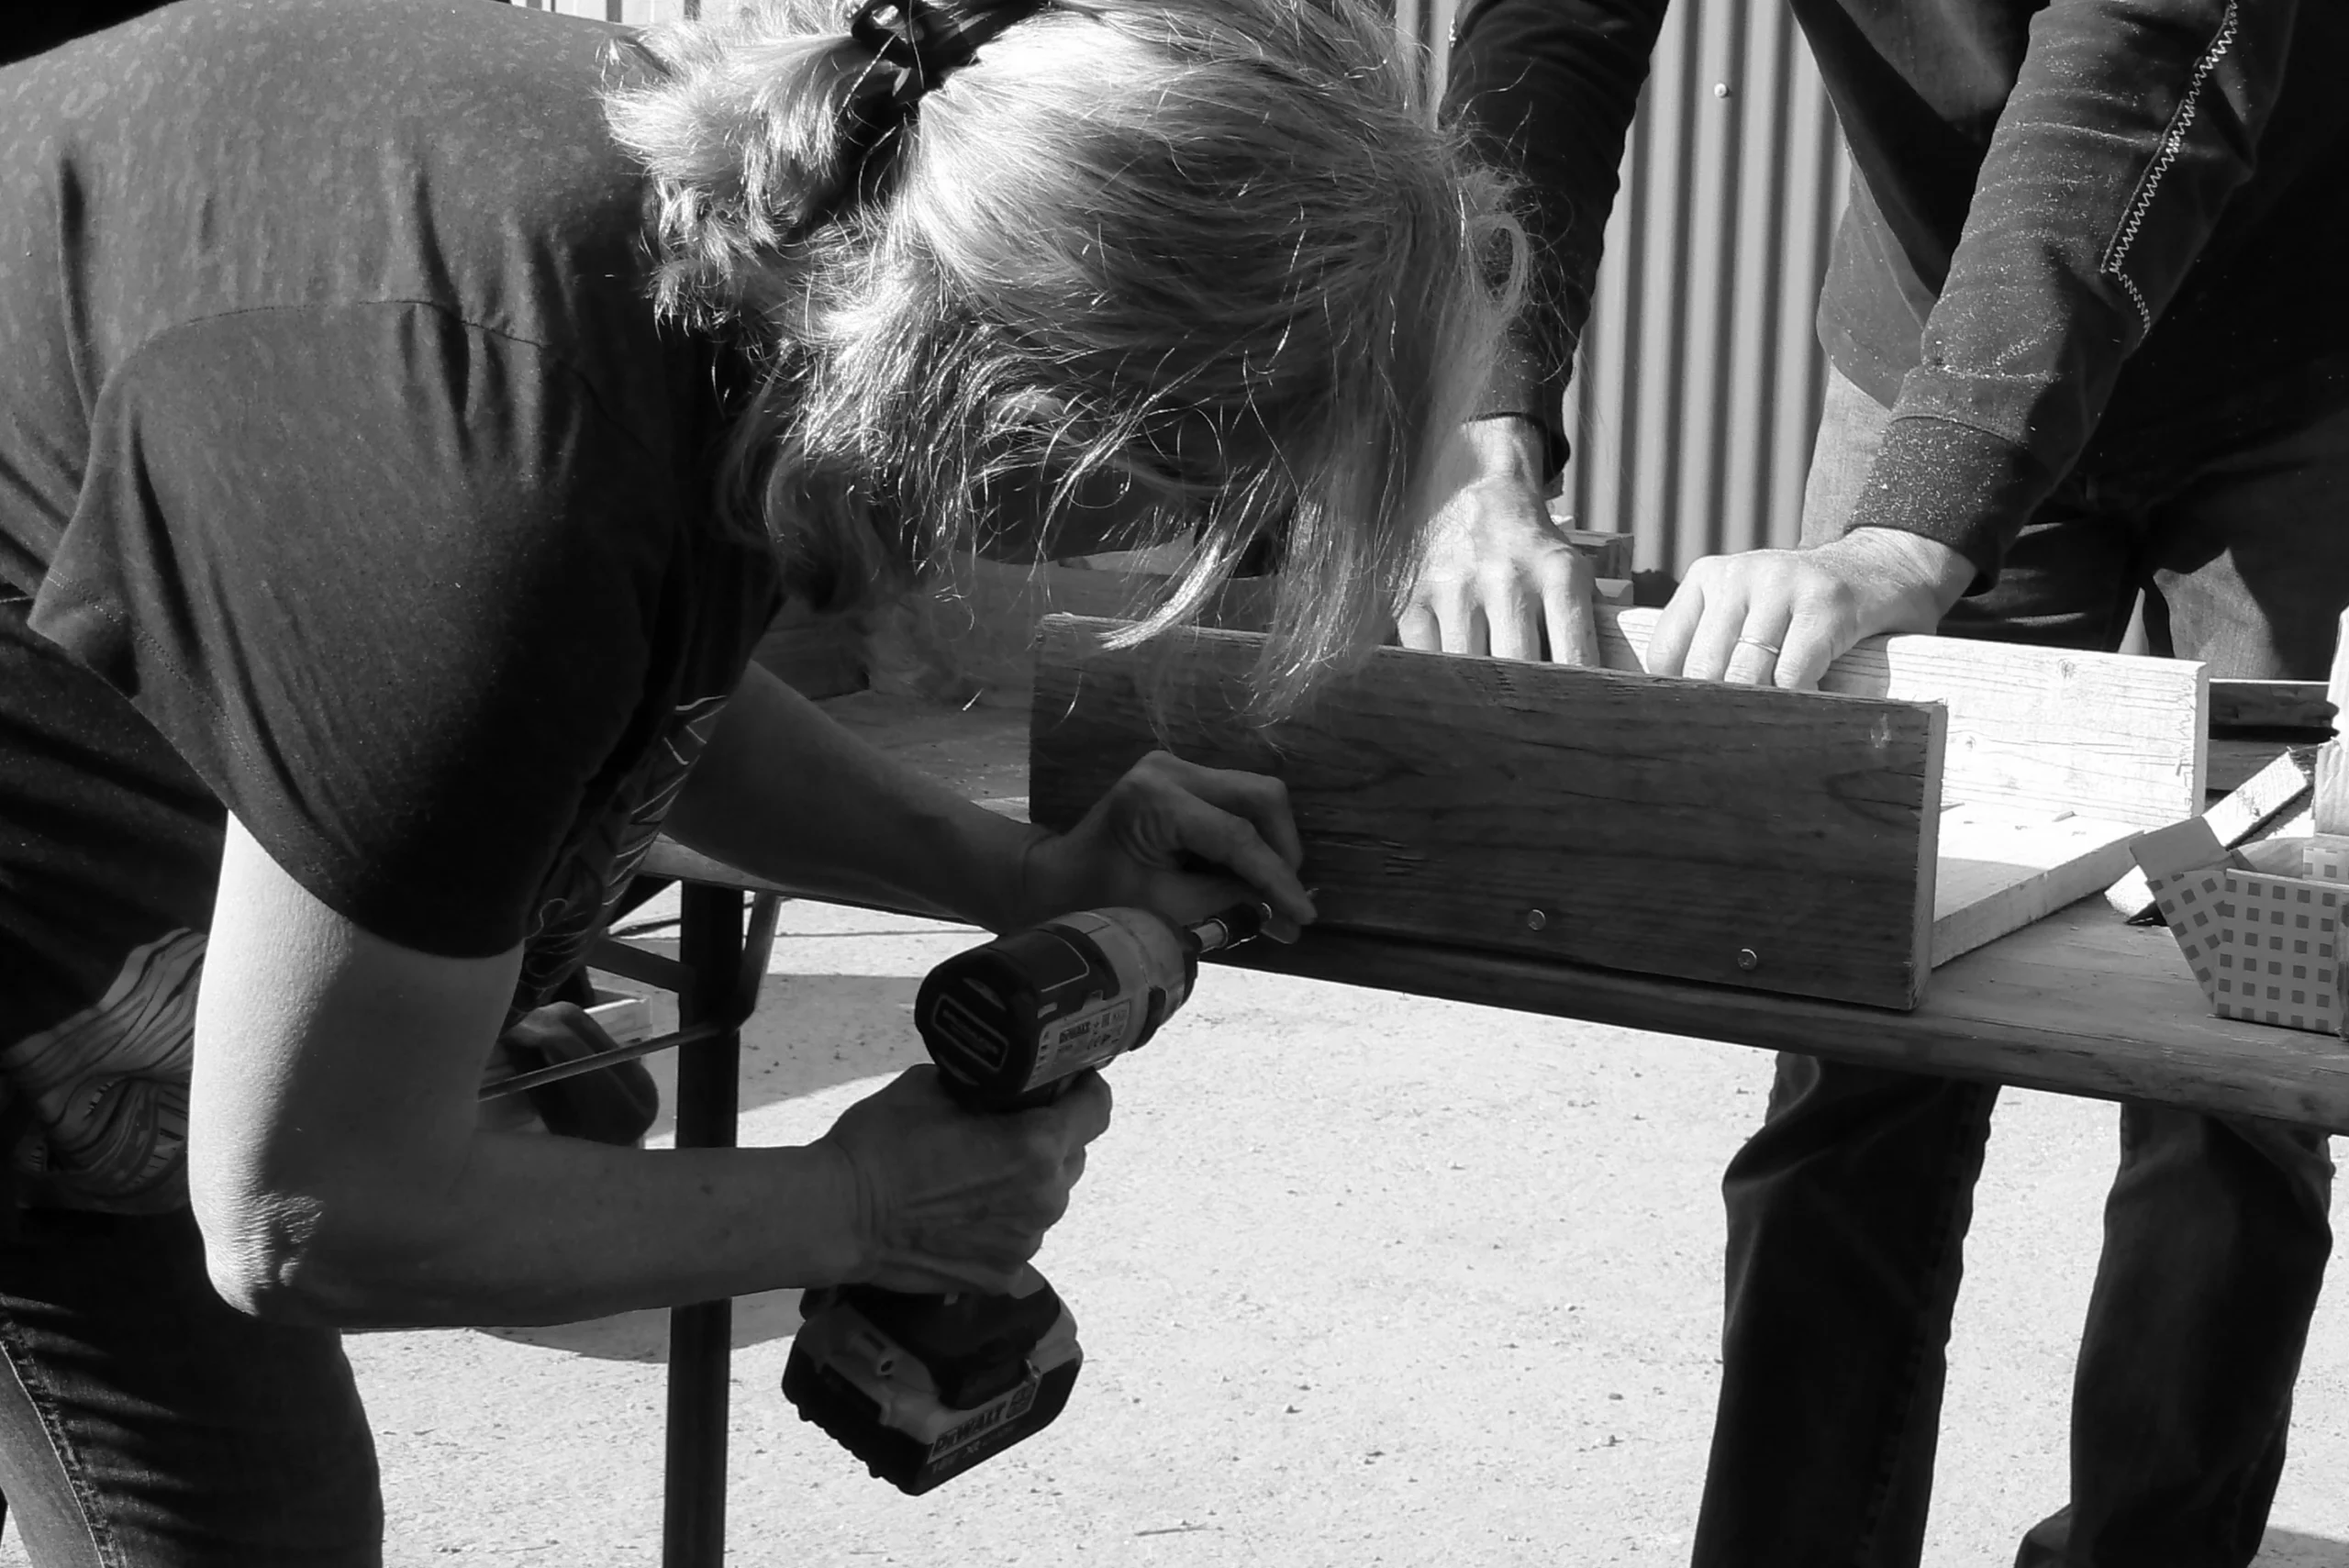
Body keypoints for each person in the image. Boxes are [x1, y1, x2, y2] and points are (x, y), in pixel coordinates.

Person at [0, 0, 1513, 1558]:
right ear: (1085, 420)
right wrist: (864, 1205)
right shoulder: (495, 452)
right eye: (1221, 505)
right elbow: (315, 1214)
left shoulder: (773, 240)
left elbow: (617, 688)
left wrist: (1016, 876)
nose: (1179, 546)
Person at [1422, 2, 2349, 1565]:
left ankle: (2160, 1543)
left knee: (2245, 1028)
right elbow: (1551, 40)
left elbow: (2139, 57)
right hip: (1937, 325)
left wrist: (1909, 532)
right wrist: (1479, 437)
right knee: (1856, 1022)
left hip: (2295, 368)